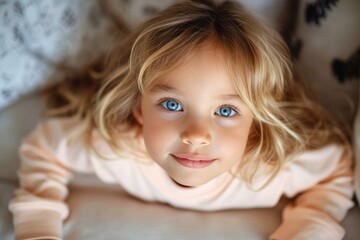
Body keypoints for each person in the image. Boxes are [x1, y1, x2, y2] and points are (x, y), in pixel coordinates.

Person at [9, 0, 354, 239]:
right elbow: (45, 146)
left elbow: (338, 166)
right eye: (172, 104)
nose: (197, 135)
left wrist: (309, 227)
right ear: (139, 109)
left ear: (257, 121)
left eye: (227, 111)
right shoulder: (115, 148)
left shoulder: (268, 170)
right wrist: (39, 224)